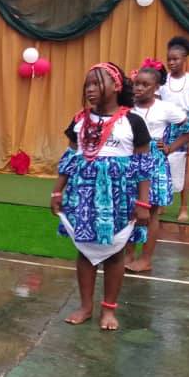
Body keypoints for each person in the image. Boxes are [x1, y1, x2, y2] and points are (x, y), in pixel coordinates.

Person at [51, 62, 152, 331]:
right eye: (87, 84)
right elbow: (70, 158)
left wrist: (143, 203)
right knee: (85, 251)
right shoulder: (80, 120)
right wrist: (57, 190)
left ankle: (109, 309)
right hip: (84, 195)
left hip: (119, 198)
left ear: (116, 86)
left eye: (97, 83)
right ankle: (86, 306)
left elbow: (144, 167)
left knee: (115, 253)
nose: (90, 89)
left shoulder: (133, 122)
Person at [126, 60, 189, 272]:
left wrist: (170, 148)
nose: (139, 88)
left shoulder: (166, 108)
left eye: (145, 84)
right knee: (129, 210)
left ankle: (146, 259)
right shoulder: (126, 108)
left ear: (157, 87)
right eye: (137, 83)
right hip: (129, 159)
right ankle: (128, 255)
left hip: (154, 162)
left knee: (152, 212)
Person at [158, 36, 189, 222]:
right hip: (164, 130)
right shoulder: (162, 81)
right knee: (162, 167)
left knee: (184, 168)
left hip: (185, 130)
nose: (171, 62)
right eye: (169, 59)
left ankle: (184, 207)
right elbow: (157, 106)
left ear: (185, 59)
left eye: (175, 59)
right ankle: (161, 203)